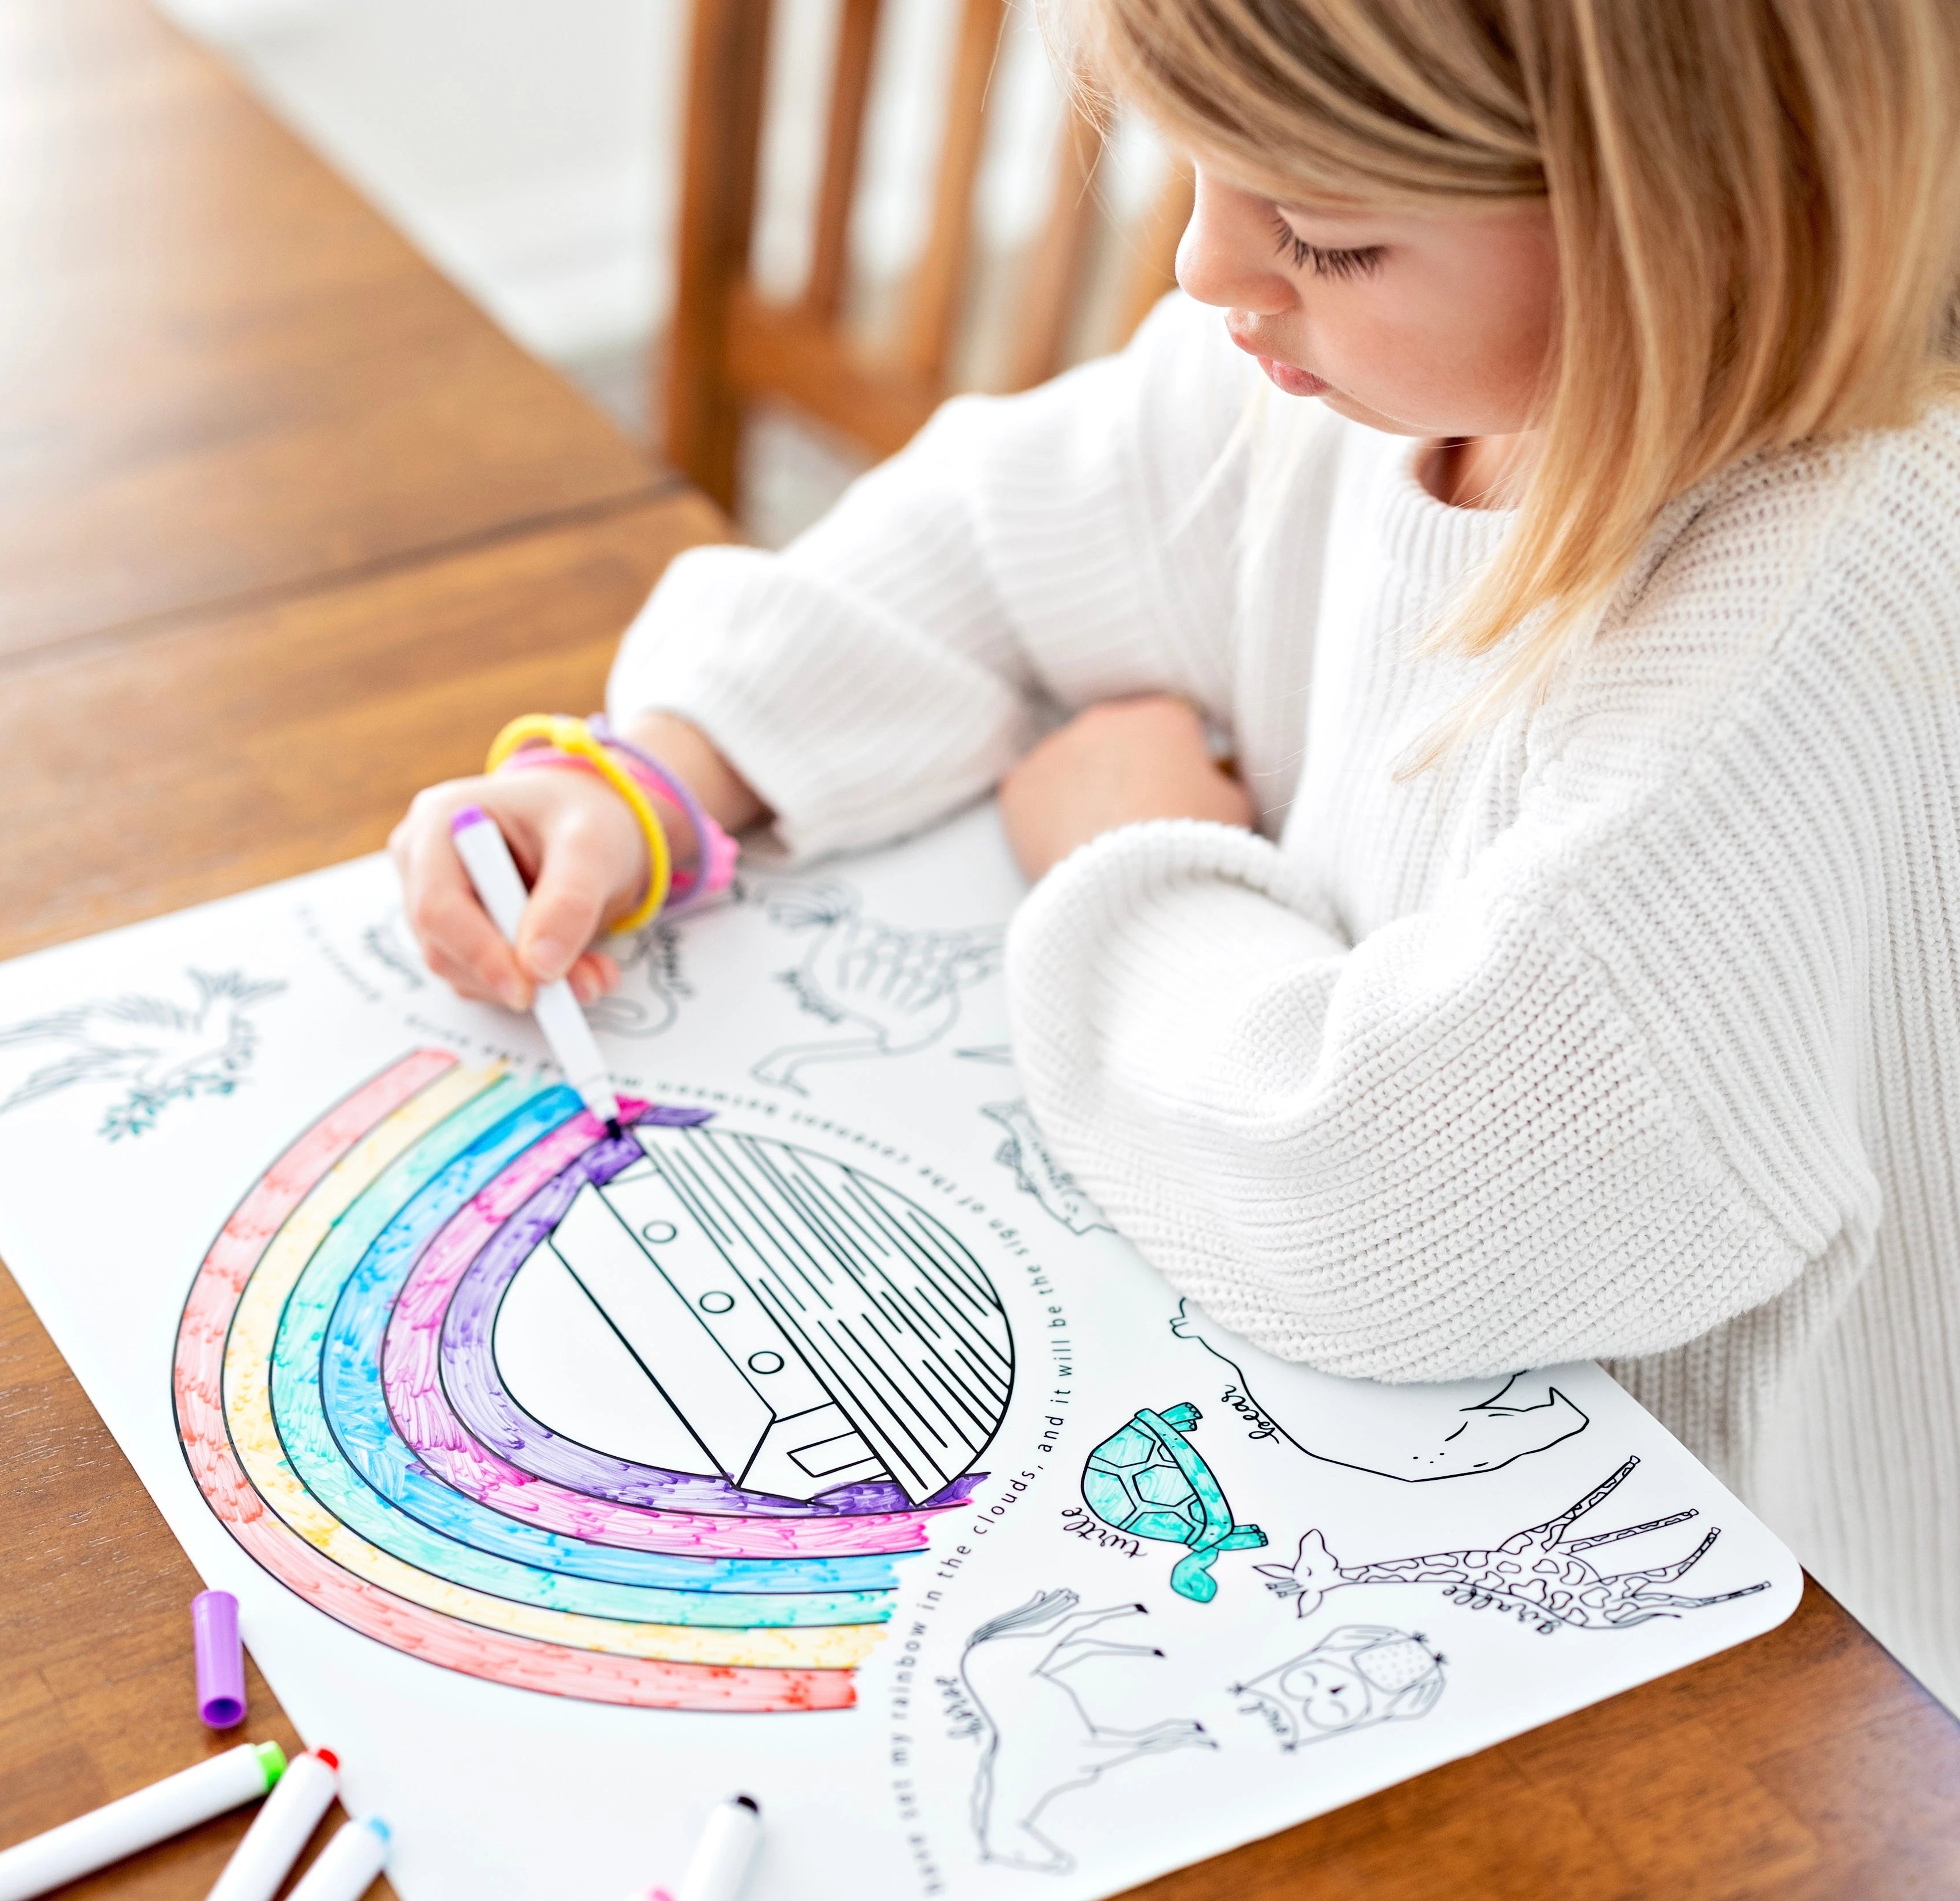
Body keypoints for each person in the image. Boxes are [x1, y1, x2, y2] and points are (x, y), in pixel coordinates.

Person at [391, 0, 1960, 1710]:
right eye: (1197, 169)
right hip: (1460, 1500)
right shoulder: (1380, 372)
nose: (1210, 267)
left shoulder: (1831, 606)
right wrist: (676, 766)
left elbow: (1388, 1193)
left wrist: (1138, 857)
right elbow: (1009, 521)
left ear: (1706, 215)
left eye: (1329, 235)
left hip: (1783, 1662)